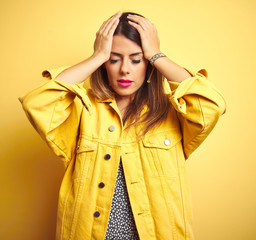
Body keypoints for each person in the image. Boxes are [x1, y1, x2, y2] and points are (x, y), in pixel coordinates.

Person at [19, 11, 226, 240]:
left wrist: (157, 55)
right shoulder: (82, 109)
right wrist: (97, 56)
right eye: (114, 59)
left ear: (148, 64)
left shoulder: (171, 112)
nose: (125, 69)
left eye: (136, 59)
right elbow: (36, 102)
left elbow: (211, 104)